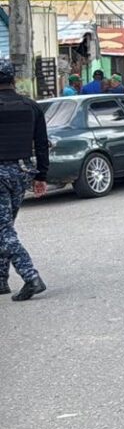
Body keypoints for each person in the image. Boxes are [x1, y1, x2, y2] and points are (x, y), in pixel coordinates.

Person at [0, 59, 50, 301]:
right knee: (5, 227)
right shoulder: (30, 106)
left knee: (3, 229)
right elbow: (42, 145)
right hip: (22, 172)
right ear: (13, 80)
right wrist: (41, 175)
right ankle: (1, 279)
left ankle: (31, 277)